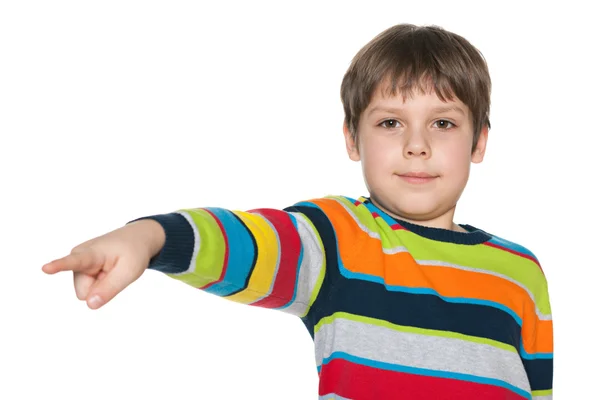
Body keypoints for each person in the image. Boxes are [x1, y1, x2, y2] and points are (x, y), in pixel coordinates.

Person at [41, 23, 553, 399]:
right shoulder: (338, 239)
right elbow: (247, 243)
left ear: (479, 141)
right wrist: (150, 238)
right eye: (390, 123)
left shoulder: (521, 272)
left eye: (442, 124)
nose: (416, 145)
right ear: (353, 139)